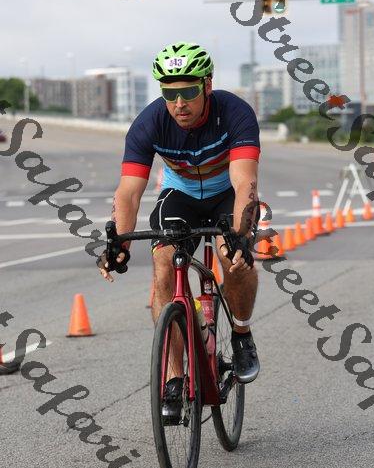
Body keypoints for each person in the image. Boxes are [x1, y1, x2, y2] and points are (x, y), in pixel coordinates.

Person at [98, 41, 261, 416]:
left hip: (225, 194)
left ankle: (241, 334)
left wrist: (240, 235)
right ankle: (174, 378)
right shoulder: (149, 122)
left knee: (234, 259)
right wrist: (119, 244)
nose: (179, 103)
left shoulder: (234, 113)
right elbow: (129, 191)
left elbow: (244, 183)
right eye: (170, 94)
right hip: (181, 195)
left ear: (207, 85)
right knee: (163, 265)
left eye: (188, 92)